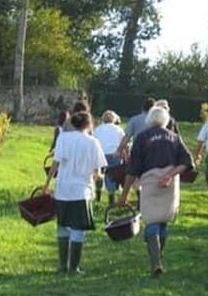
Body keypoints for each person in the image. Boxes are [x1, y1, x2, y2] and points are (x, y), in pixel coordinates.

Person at [118, 105, 193, 276]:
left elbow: (133, 168)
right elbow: (187, 162)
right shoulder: (174, 137)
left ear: (149, 119)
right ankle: (159, 258)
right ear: (166, 120)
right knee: (163, 219)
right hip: (170, 182)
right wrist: (169, 175)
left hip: (150, 181)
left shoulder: (143, 137)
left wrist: (125, 193)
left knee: (151, 219)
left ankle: (155, 262)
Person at [44, 111, 107, 274]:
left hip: (63, 189)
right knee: (78, 228)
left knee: (63, 226)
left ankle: (62, 265)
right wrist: (101, 178)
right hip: (81, 191)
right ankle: (74, 267)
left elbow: (55, 164)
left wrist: (46, 184)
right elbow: (97, 172)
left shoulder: (63, 138)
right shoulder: (93, 142)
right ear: (89, 125)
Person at [92, 110, 125, 205]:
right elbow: (123, 142)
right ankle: (111, 196)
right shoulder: (118, 129)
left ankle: (98, 195)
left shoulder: (97, 129)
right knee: (112, 175)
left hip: (100, 154)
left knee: (99, 174)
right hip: (114, 154)